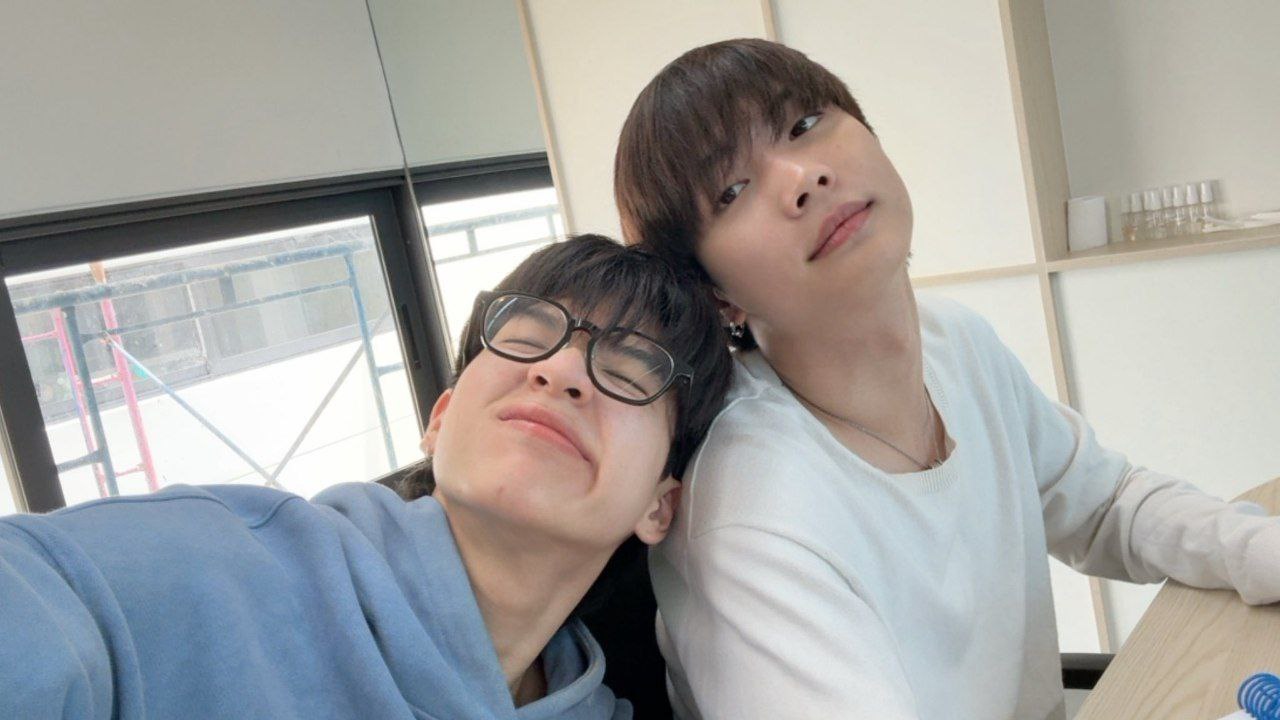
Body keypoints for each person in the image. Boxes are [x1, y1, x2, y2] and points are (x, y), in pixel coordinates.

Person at [613, 38, 1280, 719]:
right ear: (716, 293)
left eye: (804, 124)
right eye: (731, 191)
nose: (803, 177)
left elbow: (1105, 504)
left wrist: (1259, 549)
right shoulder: (748, 514)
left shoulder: (956, 342)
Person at [0, 234, 732, 720]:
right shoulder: (202, 569)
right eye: (527, 334)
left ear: (659, 506)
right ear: (441, 419)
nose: (561, 368)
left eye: (632, 367)